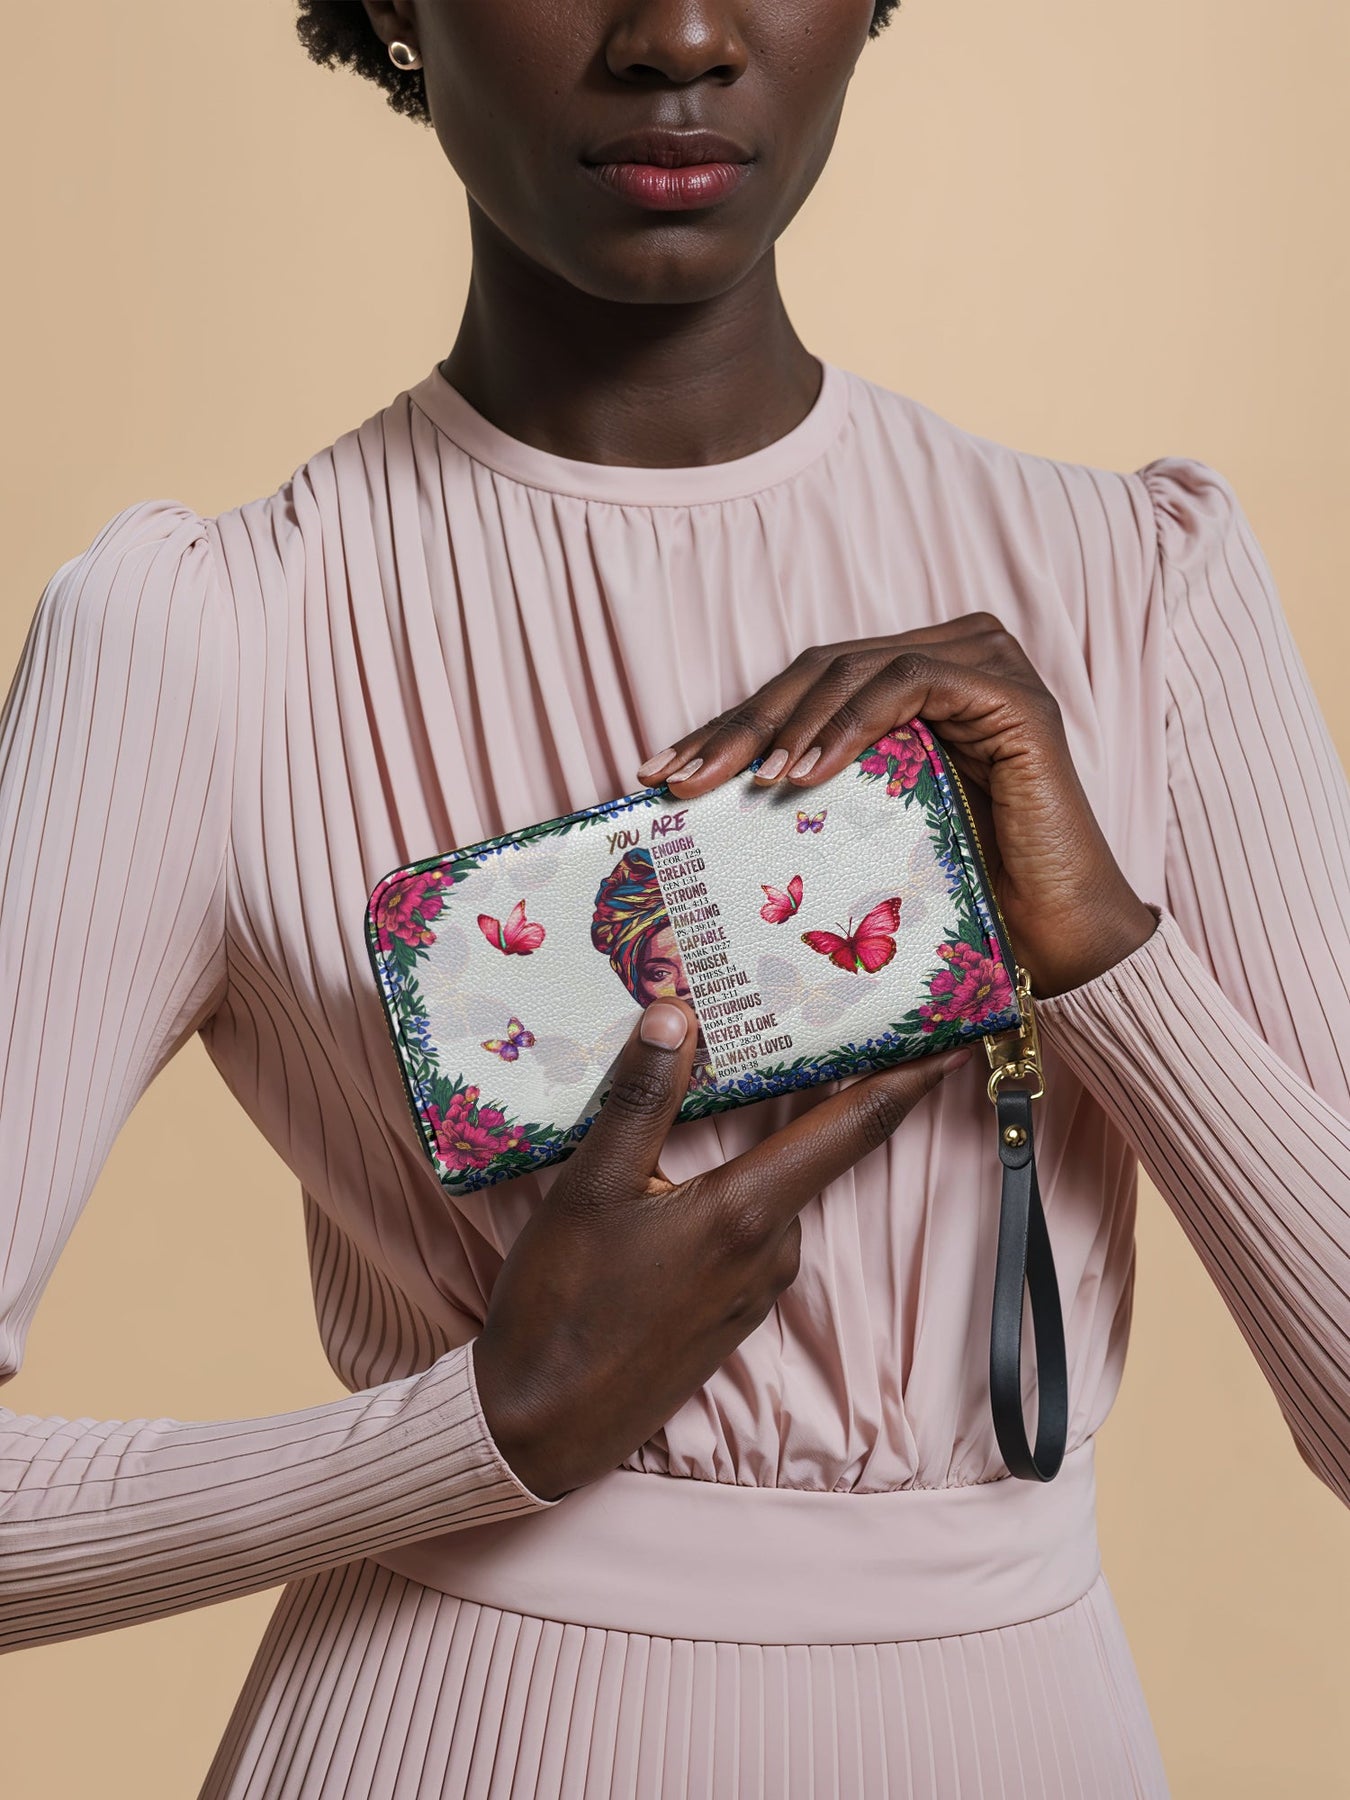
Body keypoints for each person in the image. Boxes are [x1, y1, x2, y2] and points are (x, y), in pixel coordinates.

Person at [2, 1, 1347, 1794]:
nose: (683, 37)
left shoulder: (1133, 589)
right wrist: (476, 1432)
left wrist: (1102, 954)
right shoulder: (206, 642)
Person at [591, 845, 717, 1083]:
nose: (685, 985)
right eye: (660, 973)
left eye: (696, 956)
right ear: (634, 984)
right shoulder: (611, 1063)